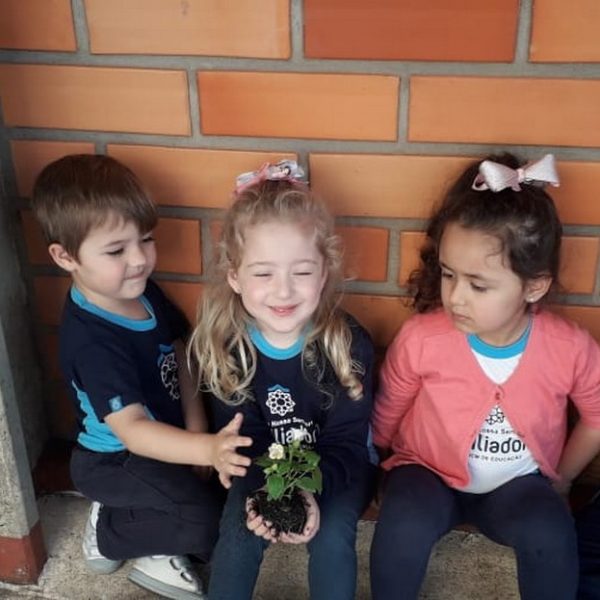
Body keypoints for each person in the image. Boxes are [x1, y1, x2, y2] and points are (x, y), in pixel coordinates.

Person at [370, 153, 600, 600]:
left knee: (551, 530)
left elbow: (595, 415)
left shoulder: (568, 347)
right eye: (448, 275)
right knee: (404, 518)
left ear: (533, 286)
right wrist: (374, 462)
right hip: (426, 475)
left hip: (516, 489)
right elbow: (389, 406)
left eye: (478, 285)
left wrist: (564, 478)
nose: (456, 297)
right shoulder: (423, 337)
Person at [31, 154, 253, 600]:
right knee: (206, 524)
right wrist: (205, 448)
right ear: (64, 256)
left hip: (164, 438)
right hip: (114, 460)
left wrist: (197, 430)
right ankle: (109, 530)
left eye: (146, 239)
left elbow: (181, 350)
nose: (139, 259)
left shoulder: (139, 289)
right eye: (116, 250)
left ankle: (155, 525)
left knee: (227, 505)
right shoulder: (92, 340)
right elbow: (132, 430)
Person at [189, 160, 376, 600]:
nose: (284, 290)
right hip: (262, 466)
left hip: (337, 467)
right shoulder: (229, 348)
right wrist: (264, 497)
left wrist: (306, 491)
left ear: (324, 272)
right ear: (234, 276)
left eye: (302, 272)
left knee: (331, 534)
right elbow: (244, 439)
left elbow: (348, 444)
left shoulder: (348, 345)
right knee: (239, 527)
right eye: (263, 273)